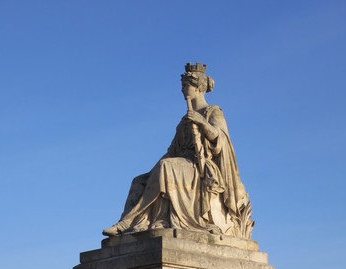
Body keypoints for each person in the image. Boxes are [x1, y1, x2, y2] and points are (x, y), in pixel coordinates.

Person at [103, 62, 253, 239]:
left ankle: (128, 221)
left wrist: (201, 122)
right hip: (180, 164)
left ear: (197, 87)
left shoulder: (212, 112)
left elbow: (221, 139)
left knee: (166, 167)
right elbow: (172, 151)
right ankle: (137, 223)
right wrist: (152, 171)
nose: (182, 90)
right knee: (139, 180)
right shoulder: (185, 120)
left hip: (200, 167)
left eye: (185, 86)